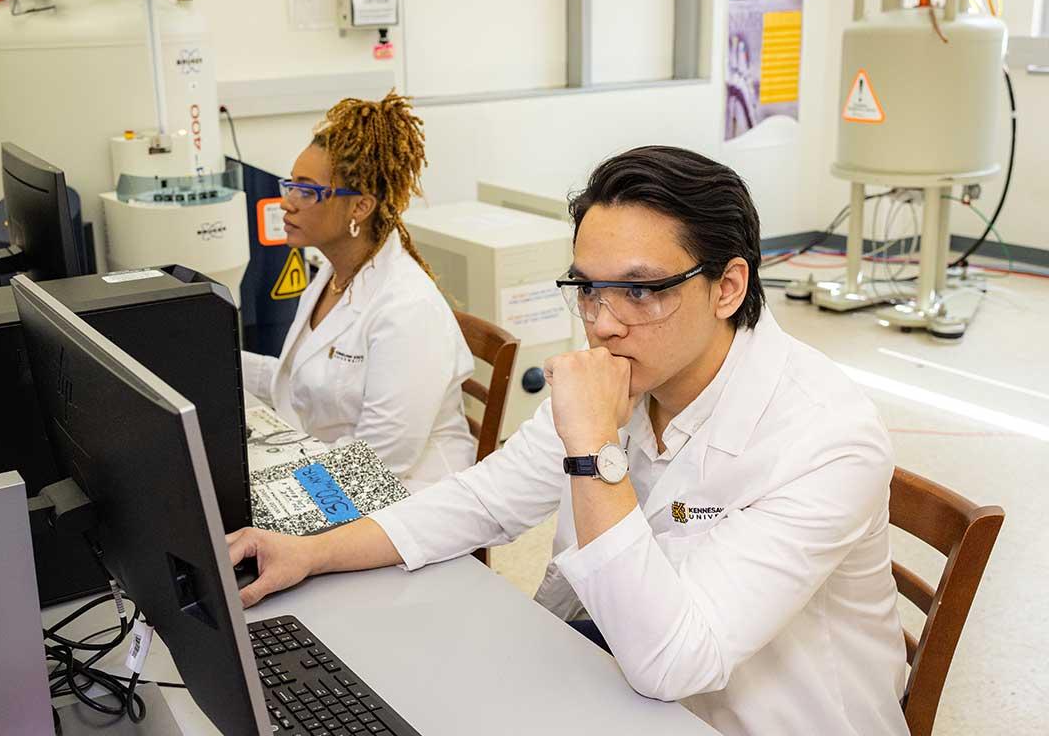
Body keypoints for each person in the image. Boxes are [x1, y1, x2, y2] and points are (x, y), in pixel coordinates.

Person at [228, 146, 909, 735]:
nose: (603, 323)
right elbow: (480, 501)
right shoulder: (630, 374)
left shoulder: (825, 438)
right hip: (620, 680)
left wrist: (592, 448)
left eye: (641, 292)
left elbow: (676, 660)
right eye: (587, 288)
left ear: (728, 286)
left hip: (754, 719)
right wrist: (310, 553)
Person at [240, 92, 475, 490]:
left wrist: (284, 482)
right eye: (290, 185)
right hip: (336, 470)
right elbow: (295, 379)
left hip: (408, 497)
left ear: (360, 208)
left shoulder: (407, 309)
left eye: (307, 190)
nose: (287, 203)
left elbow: (381, 459)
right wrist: (211, 362)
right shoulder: (332, 275)